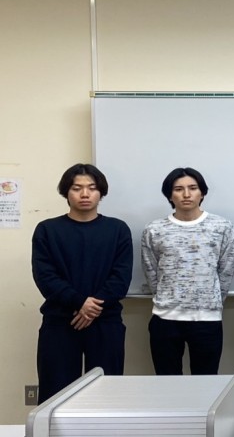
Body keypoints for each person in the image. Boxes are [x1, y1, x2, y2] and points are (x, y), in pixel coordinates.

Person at [31, 163, 133, 404]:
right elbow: (45, 276)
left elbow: (121, 278)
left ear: (101, 192)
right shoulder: (47, 230)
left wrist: (91, 308)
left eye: (92, 188)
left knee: (107, 393)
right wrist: (79, 302)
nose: (85, 194)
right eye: (77, 188)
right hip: (60, 321)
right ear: (66, 192)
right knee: (55, 393)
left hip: (105, 321)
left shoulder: (117, 229)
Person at [141, 167, 234, 375]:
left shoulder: (222, 226)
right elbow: (151, 270)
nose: (186, 194)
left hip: (207, 319)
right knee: (167, 384)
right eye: (178, 189)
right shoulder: (154, 229)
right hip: (165, 318)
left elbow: (227, 269)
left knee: (206, 385)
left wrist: (212, 300)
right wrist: (166, 297)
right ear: (169, 195)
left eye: (193, 188)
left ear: (202, 193)